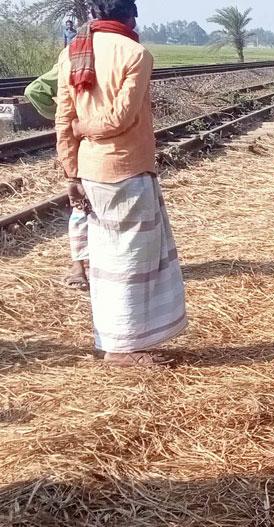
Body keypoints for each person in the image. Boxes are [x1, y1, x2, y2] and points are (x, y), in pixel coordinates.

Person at [55, 0, 187, 366]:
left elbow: (63, 119)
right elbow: (120, 119)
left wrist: (71, 172)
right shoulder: (136, 54)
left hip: (89, 170)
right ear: (129, 17)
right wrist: (87, 128)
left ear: (94, 16)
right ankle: (122, 349)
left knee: (107, 261)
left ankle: (118, 341)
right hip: (125, 170)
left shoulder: (72, 53)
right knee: (132, 263)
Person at [24, 63, 90, 290]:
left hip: (87, 139)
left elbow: (35, 90)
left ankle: (80, 266)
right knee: (82, 203)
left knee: (82, 204)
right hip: (94, 140)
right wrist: (67, 116)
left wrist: (65, 117)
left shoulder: (74, 55)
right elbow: (34, 91)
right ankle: (80, 265)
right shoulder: (74, 57)